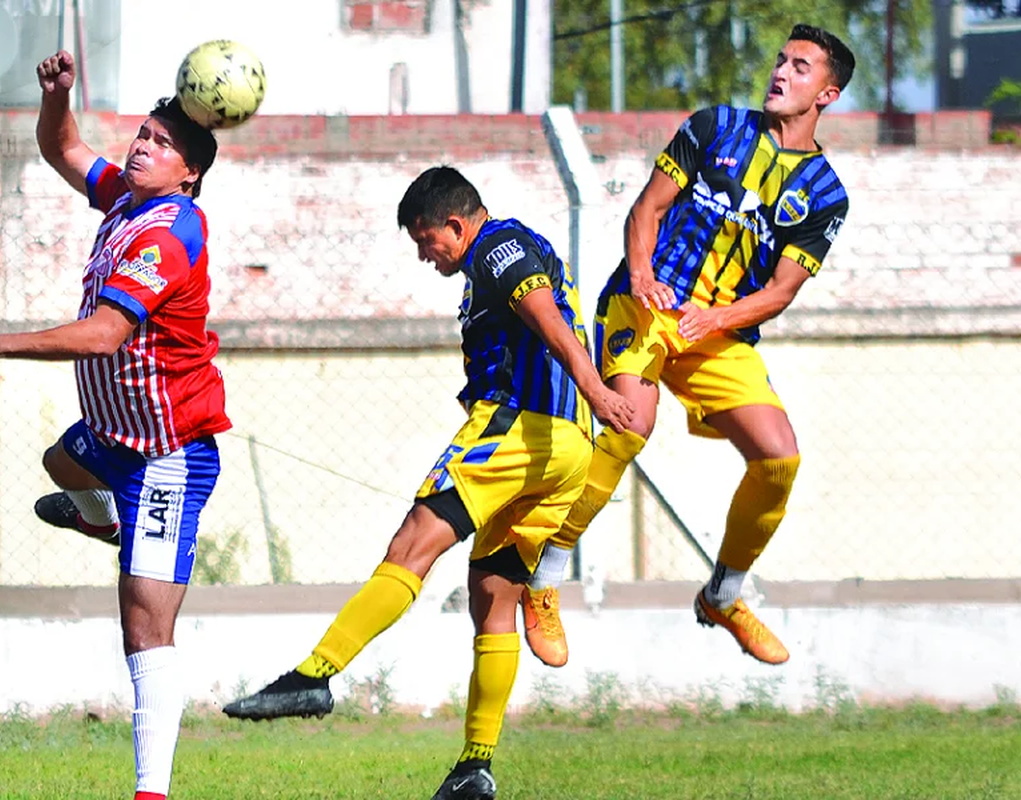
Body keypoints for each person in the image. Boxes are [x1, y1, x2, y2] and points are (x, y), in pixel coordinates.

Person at [222, 166, 634, 800]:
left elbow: (545, 316)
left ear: (455, 224)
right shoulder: (487, 267)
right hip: (565, 450)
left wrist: (596, 387)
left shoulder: (497, 245)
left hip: (519, 426)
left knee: (412, 545)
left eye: (425, 240)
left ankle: (313, 674)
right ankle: (476, 764)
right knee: (493, 592)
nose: (424, 254)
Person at [0, 50, 230, 800]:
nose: (140, 146)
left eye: (160, 143)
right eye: (142, 134)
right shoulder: (125, 199)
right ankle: (105, 519)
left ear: (187, 172)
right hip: (114, 440)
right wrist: (58, 96)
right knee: (62, 464)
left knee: (142, 630)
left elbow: (103, 334)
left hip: (167, 454)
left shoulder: (168, 232)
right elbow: (61, 147)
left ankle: (150, 793)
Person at [520, 23, 856, 669]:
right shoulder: (714, 126)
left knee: (779, 459)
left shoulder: (824, 194)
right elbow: (645, 211)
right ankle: (544, 577)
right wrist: (642, 274)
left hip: (717, 331)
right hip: (642, 306)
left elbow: (782, 290)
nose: (780, 73)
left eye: (801, 67)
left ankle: (724, 595)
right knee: (627, 426)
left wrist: (716, 318)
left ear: (827, 93)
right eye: (780, 60)